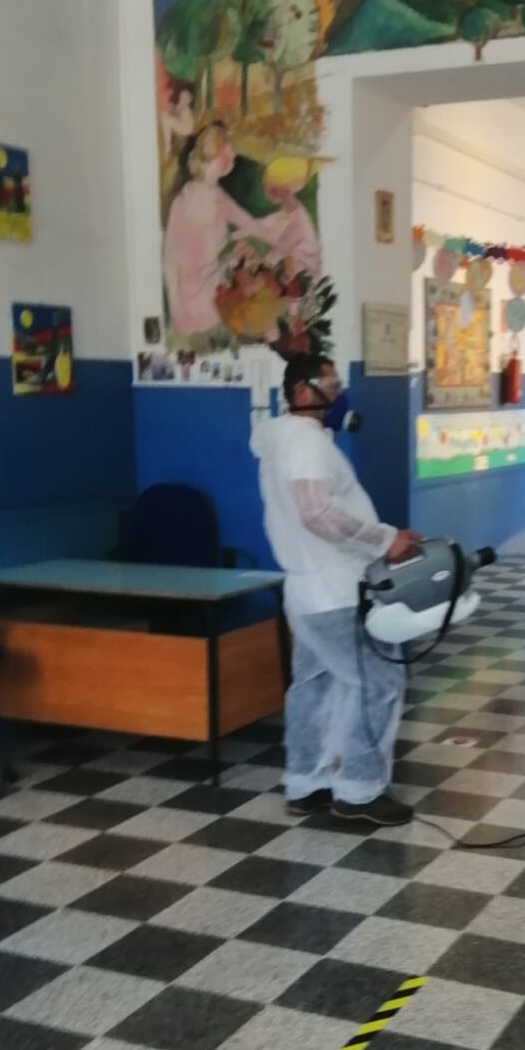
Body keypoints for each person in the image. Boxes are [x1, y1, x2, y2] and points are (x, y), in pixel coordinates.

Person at [251, 353, 422, 826]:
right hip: (333, 592)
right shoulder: (306, 442)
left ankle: (306, 782)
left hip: (307, 591)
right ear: (301, 392)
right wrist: (386, 540)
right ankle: (360, 791)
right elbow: (318, 514)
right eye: (331, 384)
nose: (340, 392)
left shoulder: (281, 436)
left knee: (315, 684)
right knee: (380, 681)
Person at [162, 122, 286, 338]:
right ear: (217, 158)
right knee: (251, 270)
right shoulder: (208, 200)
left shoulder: (190, 198)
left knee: (246, 255)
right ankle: (265, 323)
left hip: (199, 291)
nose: (233, 155)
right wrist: (177, 310)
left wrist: (275, 229)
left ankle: (266, 323)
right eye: (228, 149)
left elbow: (250, 226)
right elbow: (170, 258)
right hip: (204, 297)